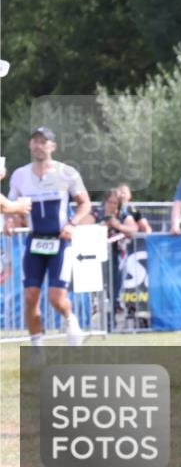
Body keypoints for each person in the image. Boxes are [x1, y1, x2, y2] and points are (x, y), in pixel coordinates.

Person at [5, 127, 92, 350]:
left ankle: (71, 320)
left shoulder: (67, 172)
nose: (38, 145)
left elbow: (85, 203)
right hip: (34, 242)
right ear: (29, 146)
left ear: (53, 146)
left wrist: (72, 224)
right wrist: (10, 222)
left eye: (43, 141)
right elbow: (11, 208)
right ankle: (37, 347)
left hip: (60, 241)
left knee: (56, 298)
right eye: (35, 141)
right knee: (31, 295)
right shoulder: (19, 175)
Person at [82, 189, 139, 317]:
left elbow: (134, 229)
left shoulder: (123, 215)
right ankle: (95, 306)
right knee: (96, 283)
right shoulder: (98, 213)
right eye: (109, 202)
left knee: (115, 285)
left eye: (114, 203)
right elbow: (83, 224)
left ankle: (113, 312)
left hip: (116, 254)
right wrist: (100, 226)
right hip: (96, 255)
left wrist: (118, 226)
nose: (111, 205)